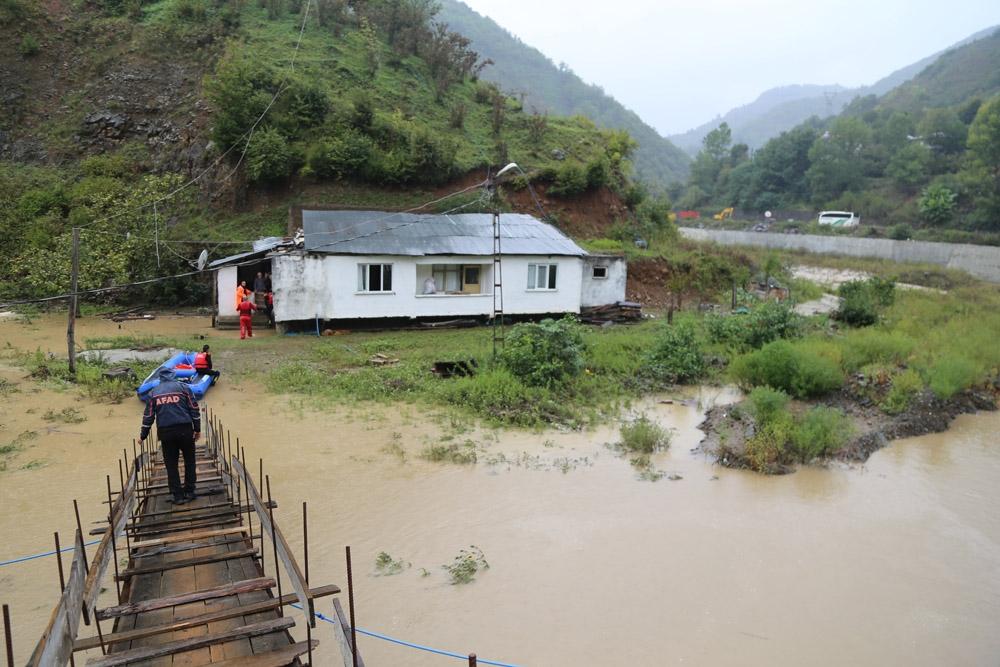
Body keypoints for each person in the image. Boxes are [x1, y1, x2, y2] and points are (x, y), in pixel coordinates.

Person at [139, 368, 201, 504]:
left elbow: (148, 417)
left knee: (171, 465)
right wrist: (197, 429)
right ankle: (190, 491)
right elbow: (194, 408)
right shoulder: (184, 388)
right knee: (190, 461)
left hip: (166, 433)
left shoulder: (153, 393)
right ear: (174, 376)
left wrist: (143, 436)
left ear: (160, 378)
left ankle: (177, 496)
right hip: (185, 430)